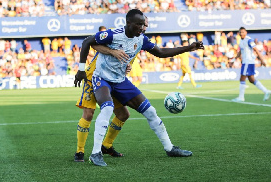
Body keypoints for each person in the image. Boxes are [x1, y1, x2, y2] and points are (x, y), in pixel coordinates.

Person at [74, 9, 204, 166]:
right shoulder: (113, 34)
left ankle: (170, 148)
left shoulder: (141, 39)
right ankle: (95, 154)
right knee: (107, 109)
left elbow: (161, 52)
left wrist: (188, 48)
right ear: (129, 23)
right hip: (101, 78)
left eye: (144, 25)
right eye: (139, 24)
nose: (143, 28)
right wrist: (81, 70)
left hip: (120, 81)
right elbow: (88, 41)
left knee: (150, 111)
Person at [73, 25, 134, 162]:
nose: (142, 29)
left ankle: (106, 146)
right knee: (88, 114)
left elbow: (124, 60)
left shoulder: (135, 42)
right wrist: (112, 51)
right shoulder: (114, 34)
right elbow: (92, 43)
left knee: (123, 114)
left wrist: (127, 66)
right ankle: (80, 151)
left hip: (111, 80)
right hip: (92, 77)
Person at [232, 27, 270, 102]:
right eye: (240, 32)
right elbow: (241, 50)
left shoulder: (249, 40)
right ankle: (266, 91)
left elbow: (256, 49)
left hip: (248, 62)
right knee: (251, 79)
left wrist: (262, 60)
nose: (241, 33)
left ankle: (241, 97)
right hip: (246, 62)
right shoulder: (241, 41)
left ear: (246, 32)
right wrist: (235, 57)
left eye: (243, 32)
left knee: (242, 78)